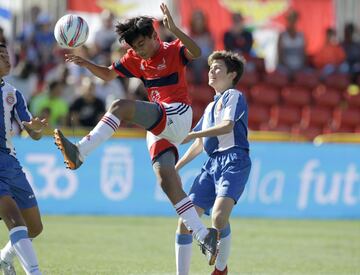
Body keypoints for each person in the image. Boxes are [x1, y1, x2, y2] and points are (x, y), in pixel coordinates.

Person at [53, 3, 219, 264]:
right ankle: (202, 233)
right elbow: (108, 75)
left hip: (177, 113)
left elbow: (197, 52)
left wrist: (174, 29)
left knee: (120, 106)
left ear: (154, 36)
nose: (139, 50)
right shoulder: (134, 58)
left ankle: (81, 151)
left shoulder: (173, 49)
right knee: (167, 182)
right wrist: (86, 63)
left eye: (142, 43)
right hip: (159, 125)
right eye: (135, 47)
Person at [175, 50, 252, 275]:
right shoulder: (210, 107)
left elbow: (227, 126)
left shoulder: (234, 96)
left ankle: (220, 270)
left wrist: (190, 135)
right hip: (211, 165)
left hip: (234, 160)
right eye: (210, 67)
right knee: (185, 221)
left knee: (219, 217)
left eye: (218, 68)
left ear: (232, 74)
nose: (212, 71)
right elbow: (200, 144)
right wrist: (177, 167)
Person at [0, 43, 47, 275]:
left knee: (34, 227)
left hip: (11, 164)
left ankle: (4, 258)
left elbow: (33, 133)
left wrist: (35, 129)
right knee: (15, 221)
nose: (7, 60)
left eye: (7, 56)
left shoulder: (13, 93)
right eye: (1, 56)